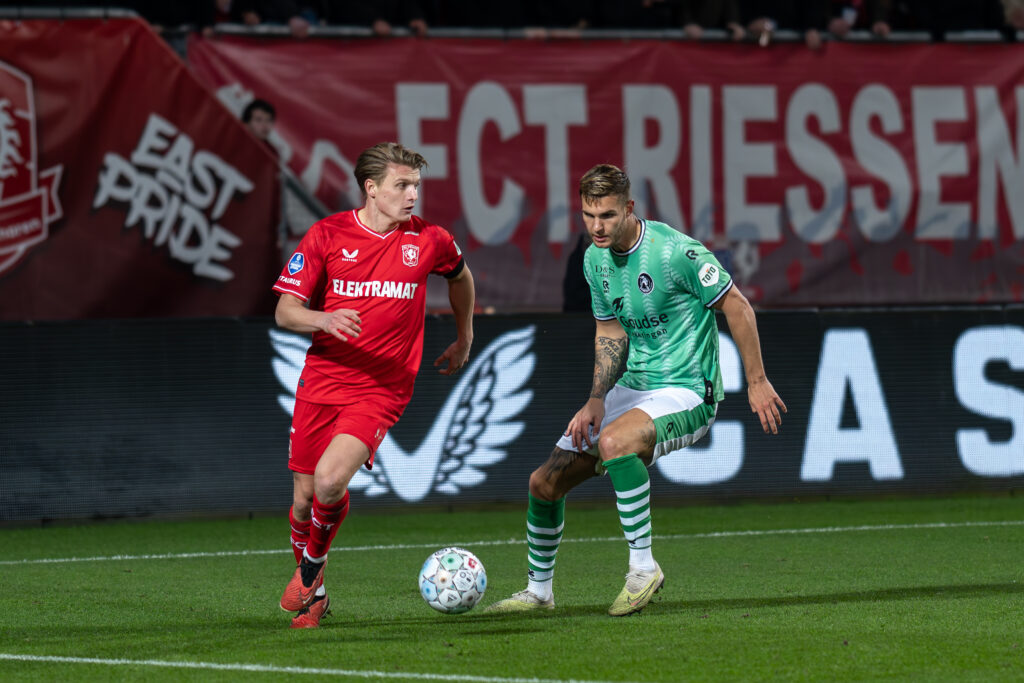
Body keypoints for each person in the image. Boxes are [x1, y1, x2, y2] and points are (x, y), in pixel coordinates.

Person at [485, 164, 786, 617]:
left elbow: (738, 306)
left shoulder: (675, 253)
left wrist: (756, 380)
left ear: (629, 208)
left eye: (606, 215)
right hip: (635, 385)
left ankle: (643, 568)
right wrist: (596, 399)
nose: (597, 226)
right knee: (544, 483)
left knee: (614, 442)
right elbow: (609, 332)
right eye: (588, 215)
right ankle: (539, 592)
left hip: (688, 390)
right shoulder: (593, 260)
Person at [272, 142, 475, 628]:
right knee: (303, 498)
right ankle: (316, 594)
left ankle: (311, 569)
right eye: (402, 186)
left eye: (415, 187)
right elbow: (285, 311)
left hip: (382, 386)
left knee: (329, 479)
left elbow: (460, 277)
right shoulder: (327, 235)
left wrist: (465, 335)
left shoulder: (430, 240)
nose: (411, 196)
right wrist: (323, 318)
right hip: (322, 379)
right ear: (372, 188)